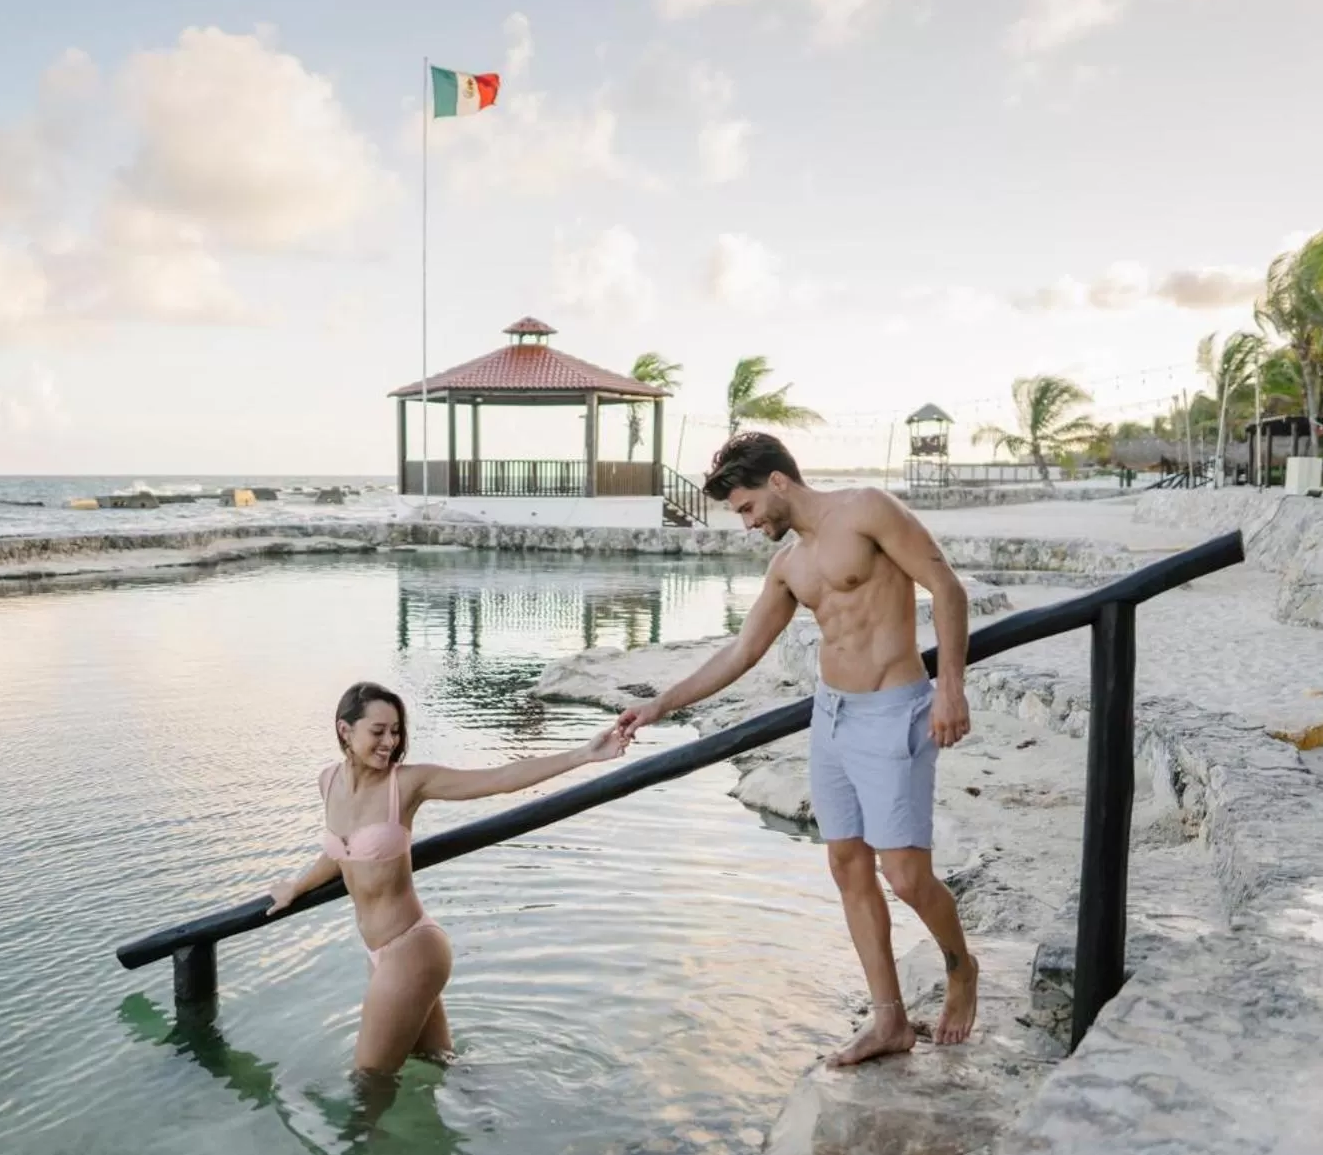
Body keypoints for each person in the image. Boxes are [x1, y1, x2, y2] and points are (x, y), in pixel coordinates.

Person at [617, 432, 979, 1066]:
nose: (749, 523)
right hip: (831, 715)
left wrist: (951, 688)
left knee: (905, 876)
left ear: (777, 482)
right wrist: (661, 704)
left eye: (748, 508)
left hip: (894, 710)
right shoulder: (789, 565)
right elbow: (741, 651)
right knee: (846, 865)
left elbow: (946, 588)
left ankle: (962, 967)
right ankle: (888, 1020)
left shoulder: (867, 509)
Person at [267, 681, 631, 1077]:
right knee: (441, 1067)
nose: (390, 741)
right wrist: (296, 887)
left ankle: (359, 1142)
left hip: (411, 947)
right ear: (344, 730)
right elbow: (341, 853)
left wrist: (584, 754)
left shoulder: (406, 783)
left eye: (395, 730)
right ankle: (482, 1117)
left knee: (368, 1082)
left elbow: (499, 778)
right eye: (378, 731)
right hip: (380, 954)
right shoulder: (329, 782)